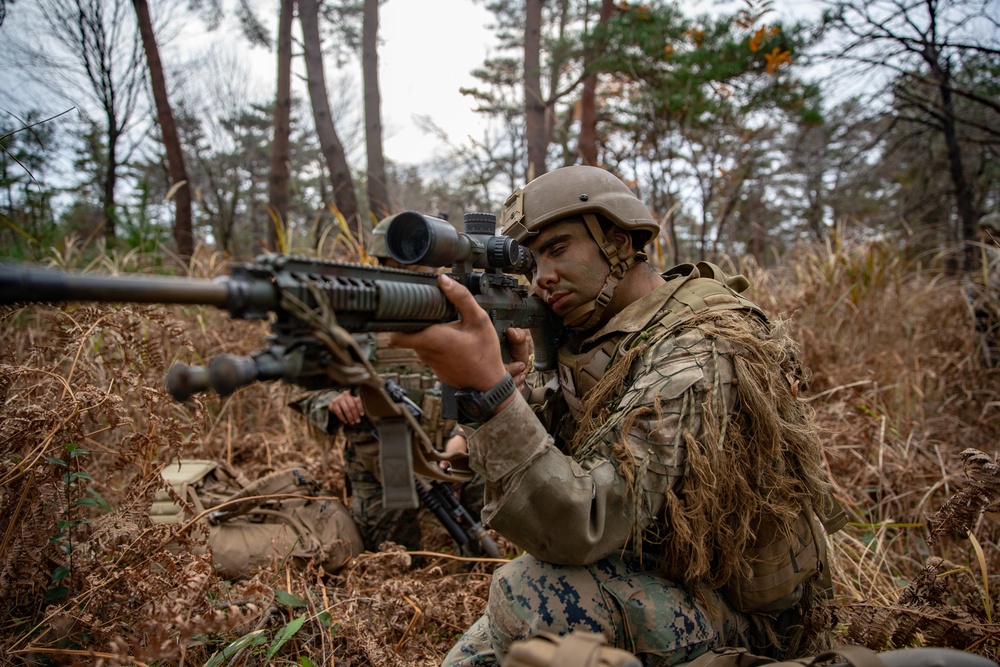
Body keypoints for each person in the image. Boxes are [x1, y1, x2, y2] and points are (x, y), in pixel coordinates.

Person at [389, 166, 844, 666]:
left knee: (534, 595)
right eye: (531, 261)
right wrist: (506, 394)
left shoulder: (698, 349)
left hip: (750, 617)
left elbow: (583, 522)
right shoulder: (599, 341)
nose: (541, 277)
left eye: (557, 249)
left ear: (619, 241)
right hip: (650, 571)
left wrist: (493, 397)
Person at [291, 215, 481, 553]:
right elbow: (301, 387)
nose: (409, 271)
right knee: (391, 552)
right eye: (393, 263)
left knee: (486, 533)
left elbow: (490, 384)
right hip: (380, 462)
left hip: (455, 450)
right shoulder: (354, 315)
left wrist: (464, 439)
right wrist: (332, 400)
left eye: (418, 264)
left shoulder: (460, 309)